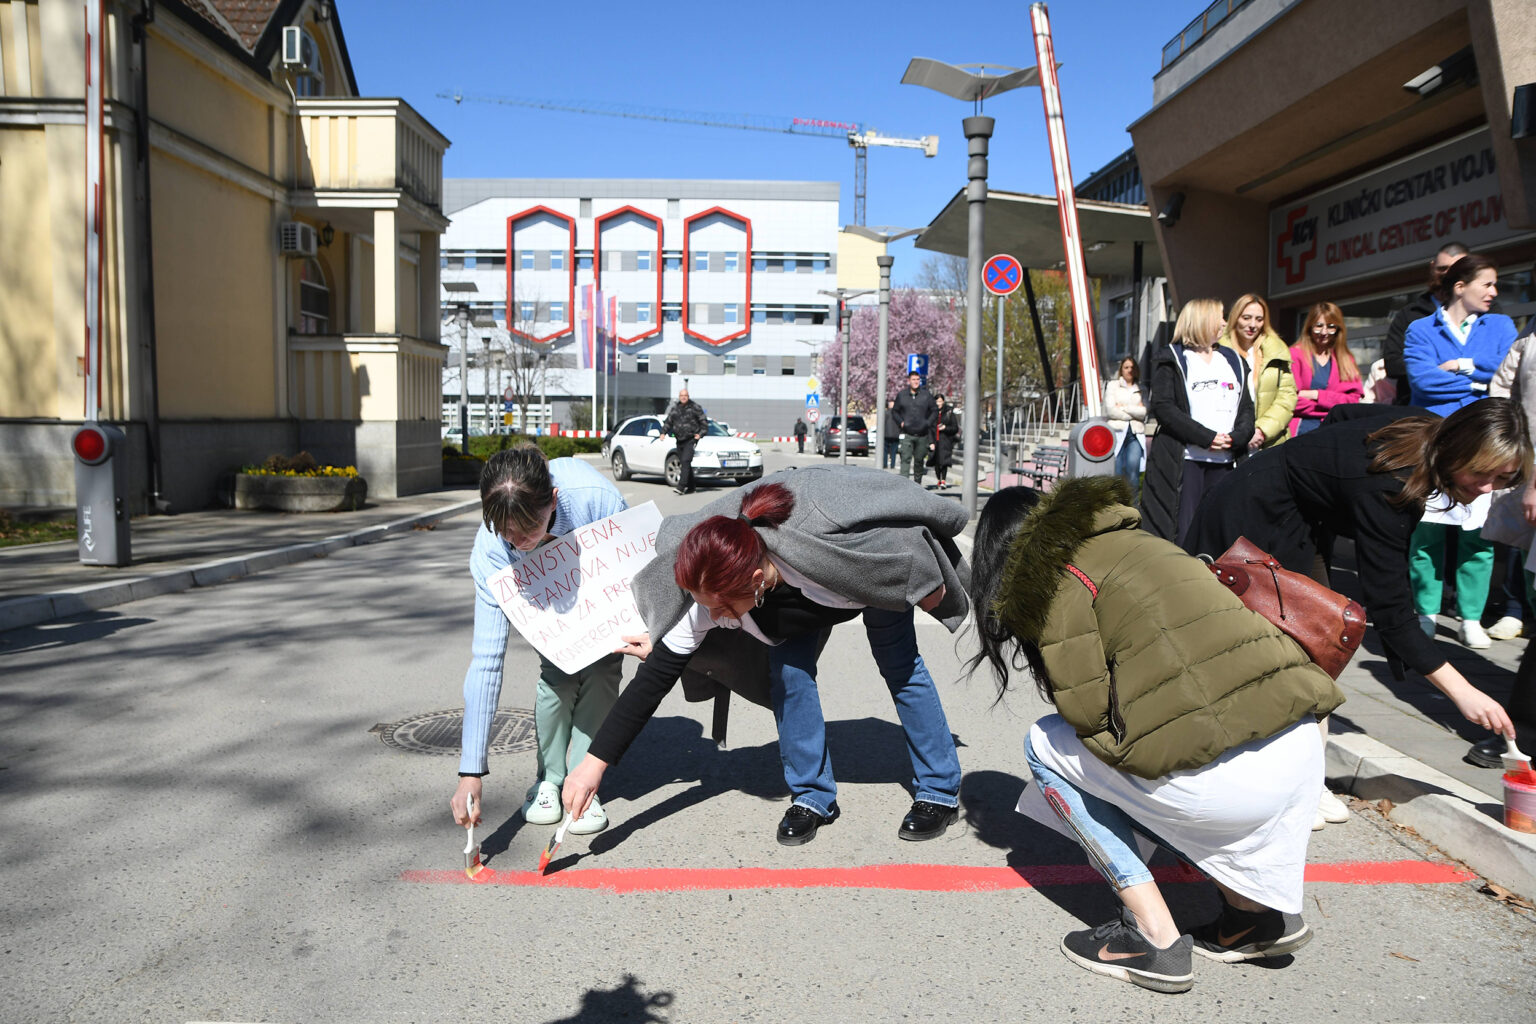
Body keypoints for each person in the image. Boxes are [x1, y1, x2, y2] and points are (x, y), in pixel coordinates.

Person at [968, 478, 1343, 993]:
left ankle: (1151, 938)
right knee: (1188, 735)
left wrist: (1125, 787)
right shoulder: (1146, 543)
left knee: (1046, 744)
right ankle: (1253, 915)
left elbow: (1090, 718)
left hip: (1236, 787)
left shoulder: (1057, 578)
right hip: (1302, 756)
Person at [562, 466, 968, 847]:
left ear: (756, 581)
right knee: (789, 675)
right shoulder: (719, 587)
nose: (715, 619)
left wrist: (930, 589)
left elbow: (916, 558)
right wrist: (591, 767)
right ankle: (812, 797)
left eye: (722, 609)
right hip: (791, 599)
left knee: (900, 666)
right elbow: (652, 683)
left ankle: (940, 791)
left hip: (869, 573)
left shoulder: (843, 546)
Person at [1183, 400, 1526, 753]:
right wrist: (1463, 692)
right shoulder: (1389, 487)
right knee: (1265, 648)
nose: (1487, 488)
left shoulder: (1427, 426)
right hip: (1253, 511)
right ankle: (1217, 750)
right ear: (1458, 446)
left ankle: (1306, 775)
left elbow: (1342, 415)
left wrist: (1324, 477)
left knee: (1315, 648)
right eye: (1481, 472)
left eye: (1502, 478)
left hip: (1301, 514)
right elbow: (1392, 610)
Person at [449, 445, 628, 838]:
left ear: (554, 501)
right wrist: (471, 771)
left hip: (596, 586)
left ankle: (584, 782)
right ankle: (549, 778)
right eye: (506, 533)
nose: (519, 542)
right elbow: (487, 661)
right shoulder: (491, 551)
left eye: (529, 530)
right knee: (557, 674)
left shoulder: (597, 499)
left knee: (602, 672)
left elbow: (635, 565)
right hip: (542, 598)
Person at [1404, 255, 1519, 649]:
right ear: (1459, 286)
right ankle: (1426, 614)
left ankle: (1471, 617)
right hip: (1434, 444)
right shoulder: (1420, 328)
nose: (1494, 292)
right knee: (1427, 533)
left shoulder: (1502, 325)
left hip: (1484, 445)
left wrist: (1461, 365)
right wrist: (1481, 387)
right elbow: (1422, 381)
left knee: (1479, 539)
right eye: (1487, 284)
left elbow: (1506, 372)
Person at [1140, 298, 1256, 545]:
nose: (1225, 323)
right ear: (1202, 320)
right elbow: (1164, 407)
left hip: (1226, 461)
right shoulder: (1172, 358)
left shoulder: (1233, 360)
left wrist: (1236, 438)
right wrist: (1206, 436)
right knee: (1185, 532)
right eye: (1220, 317)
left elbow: (1246, 408)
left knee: (1222, 530)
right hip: (1187, 462)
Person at [1383, 242, 1470, 404]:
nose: (1447, 274)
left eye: (1455, 269)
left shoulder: (1486, 313)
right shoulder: (1410, 315)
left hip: (1473, 408)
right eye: (1442, 268)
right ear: (1432, 267)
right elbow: (1393, 364)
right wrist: (1445, 366)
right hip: (1419, 409)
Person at [1217, 293, 1296, 451]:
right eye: (1246, 318)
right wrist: (1239, 435)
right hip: (1227, 441)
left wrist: (1261, 431)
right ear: (1235, 318)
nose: (1252, 324)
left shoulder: (1277, 350)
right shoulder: (1218, 351)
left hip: (1269, 443)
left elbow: (1287, 397)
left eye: (1259, 319)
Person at [1288, 302, 1364, 436]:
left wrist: (1315, 395)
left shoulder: (1346, 360)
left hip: (1333, 431)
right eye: (1318, 326)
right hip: (1299, 431)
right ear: (1309, 327)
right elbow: (1290, 400)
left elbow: (1352, 401)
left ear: (1338, 329)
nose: (1324, 332)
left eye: (1330, 327)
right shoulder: (1295, 355)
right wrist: (1331, 406)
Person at [1104, 356, 1148, 498]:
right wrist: (1135, 410)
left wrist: (1124, 407)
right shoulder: (1113, 386)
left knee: (1132, 471)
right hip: (1117, 432)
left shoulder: (1141, 389)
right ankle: (1115, 506)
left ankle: (1132, 507)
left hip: (1135, 433)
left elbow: (1144, 412)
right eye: (1126, 367)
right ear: (1121, 369)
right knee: (1116, 472)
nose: (1130, 370)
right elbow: (1110, 410)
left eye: (1132, 367)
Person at [892, 371, 938, 487]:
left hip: (922, 434)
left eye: (918, 379)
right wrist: (901, 423)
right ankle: (903, 486)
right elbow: (895, 411)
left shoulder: (926, 395)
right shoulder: (902, 395)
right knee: (905, 459)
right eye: (913, 379)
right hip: (907, 434)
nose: (916, 382)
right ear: (909, 381)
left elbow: (934, 410)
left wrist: (927, 423)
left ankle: (917, 484)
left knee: (919, 460)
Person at [662, 388, 708, 494]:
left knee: (686, 461)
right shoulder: (675, 408)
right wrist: (663, 432)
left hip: (691, 439)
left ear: (688, 396)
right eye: (681, 395)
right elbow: (668, 422)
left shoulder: (695, 407)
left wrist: (700, 434)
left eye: (685, 395)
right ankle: (691, 486)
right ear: (679, 397)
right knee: (684, 462)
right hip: (679, 439)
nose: (683, 397)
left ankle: (681, 487)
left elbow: (703, 422)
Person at [929, 392, 959, 489]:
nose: (938, 403)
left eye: (940, 401)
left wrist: (945, 428)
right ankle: (939, 478)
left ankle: (943, 480)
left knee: (944, 461)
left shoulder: (949, 412)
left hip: (946, 440)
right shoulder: (931, 412)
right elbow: (928, 427)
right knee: (936, 462)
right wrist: (930, 442)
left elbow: (955, 428)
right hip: (935, 440)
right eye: (937, 401)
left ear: (943, 402)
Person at [882, 397, 901, 469]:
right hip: (895, 435)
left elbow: (882, 424)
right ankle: (892, 465)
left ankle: (885, 464)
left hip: (886, 435)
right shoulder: (898, 414)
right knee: (893, 452)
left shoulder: (885, 413)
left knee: (885, 451)